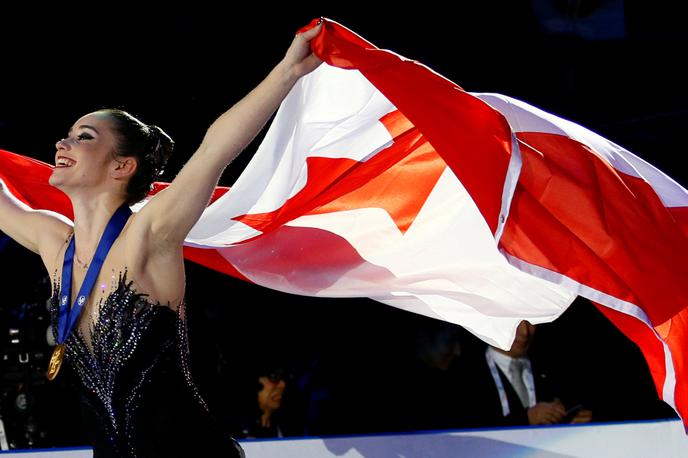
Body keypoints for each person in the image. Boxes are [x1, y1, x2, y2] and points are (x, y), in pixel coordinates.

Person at [0, 18, 324, 458]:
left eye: (84, 137)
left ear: (122, 166)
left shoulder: (148, 234)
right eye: (68, 134)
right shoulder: (53, 241)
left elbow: (215, 150)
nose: (63, 142)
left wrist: (286, 71)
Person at [463, 320, 593, 427]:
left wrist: (571, 423)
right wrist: (526, 418)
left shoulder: (552, 367)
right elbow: (463, 431)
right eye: (515, 322)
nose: (525, 332)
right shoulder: (465, 373)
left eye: (531, 322)